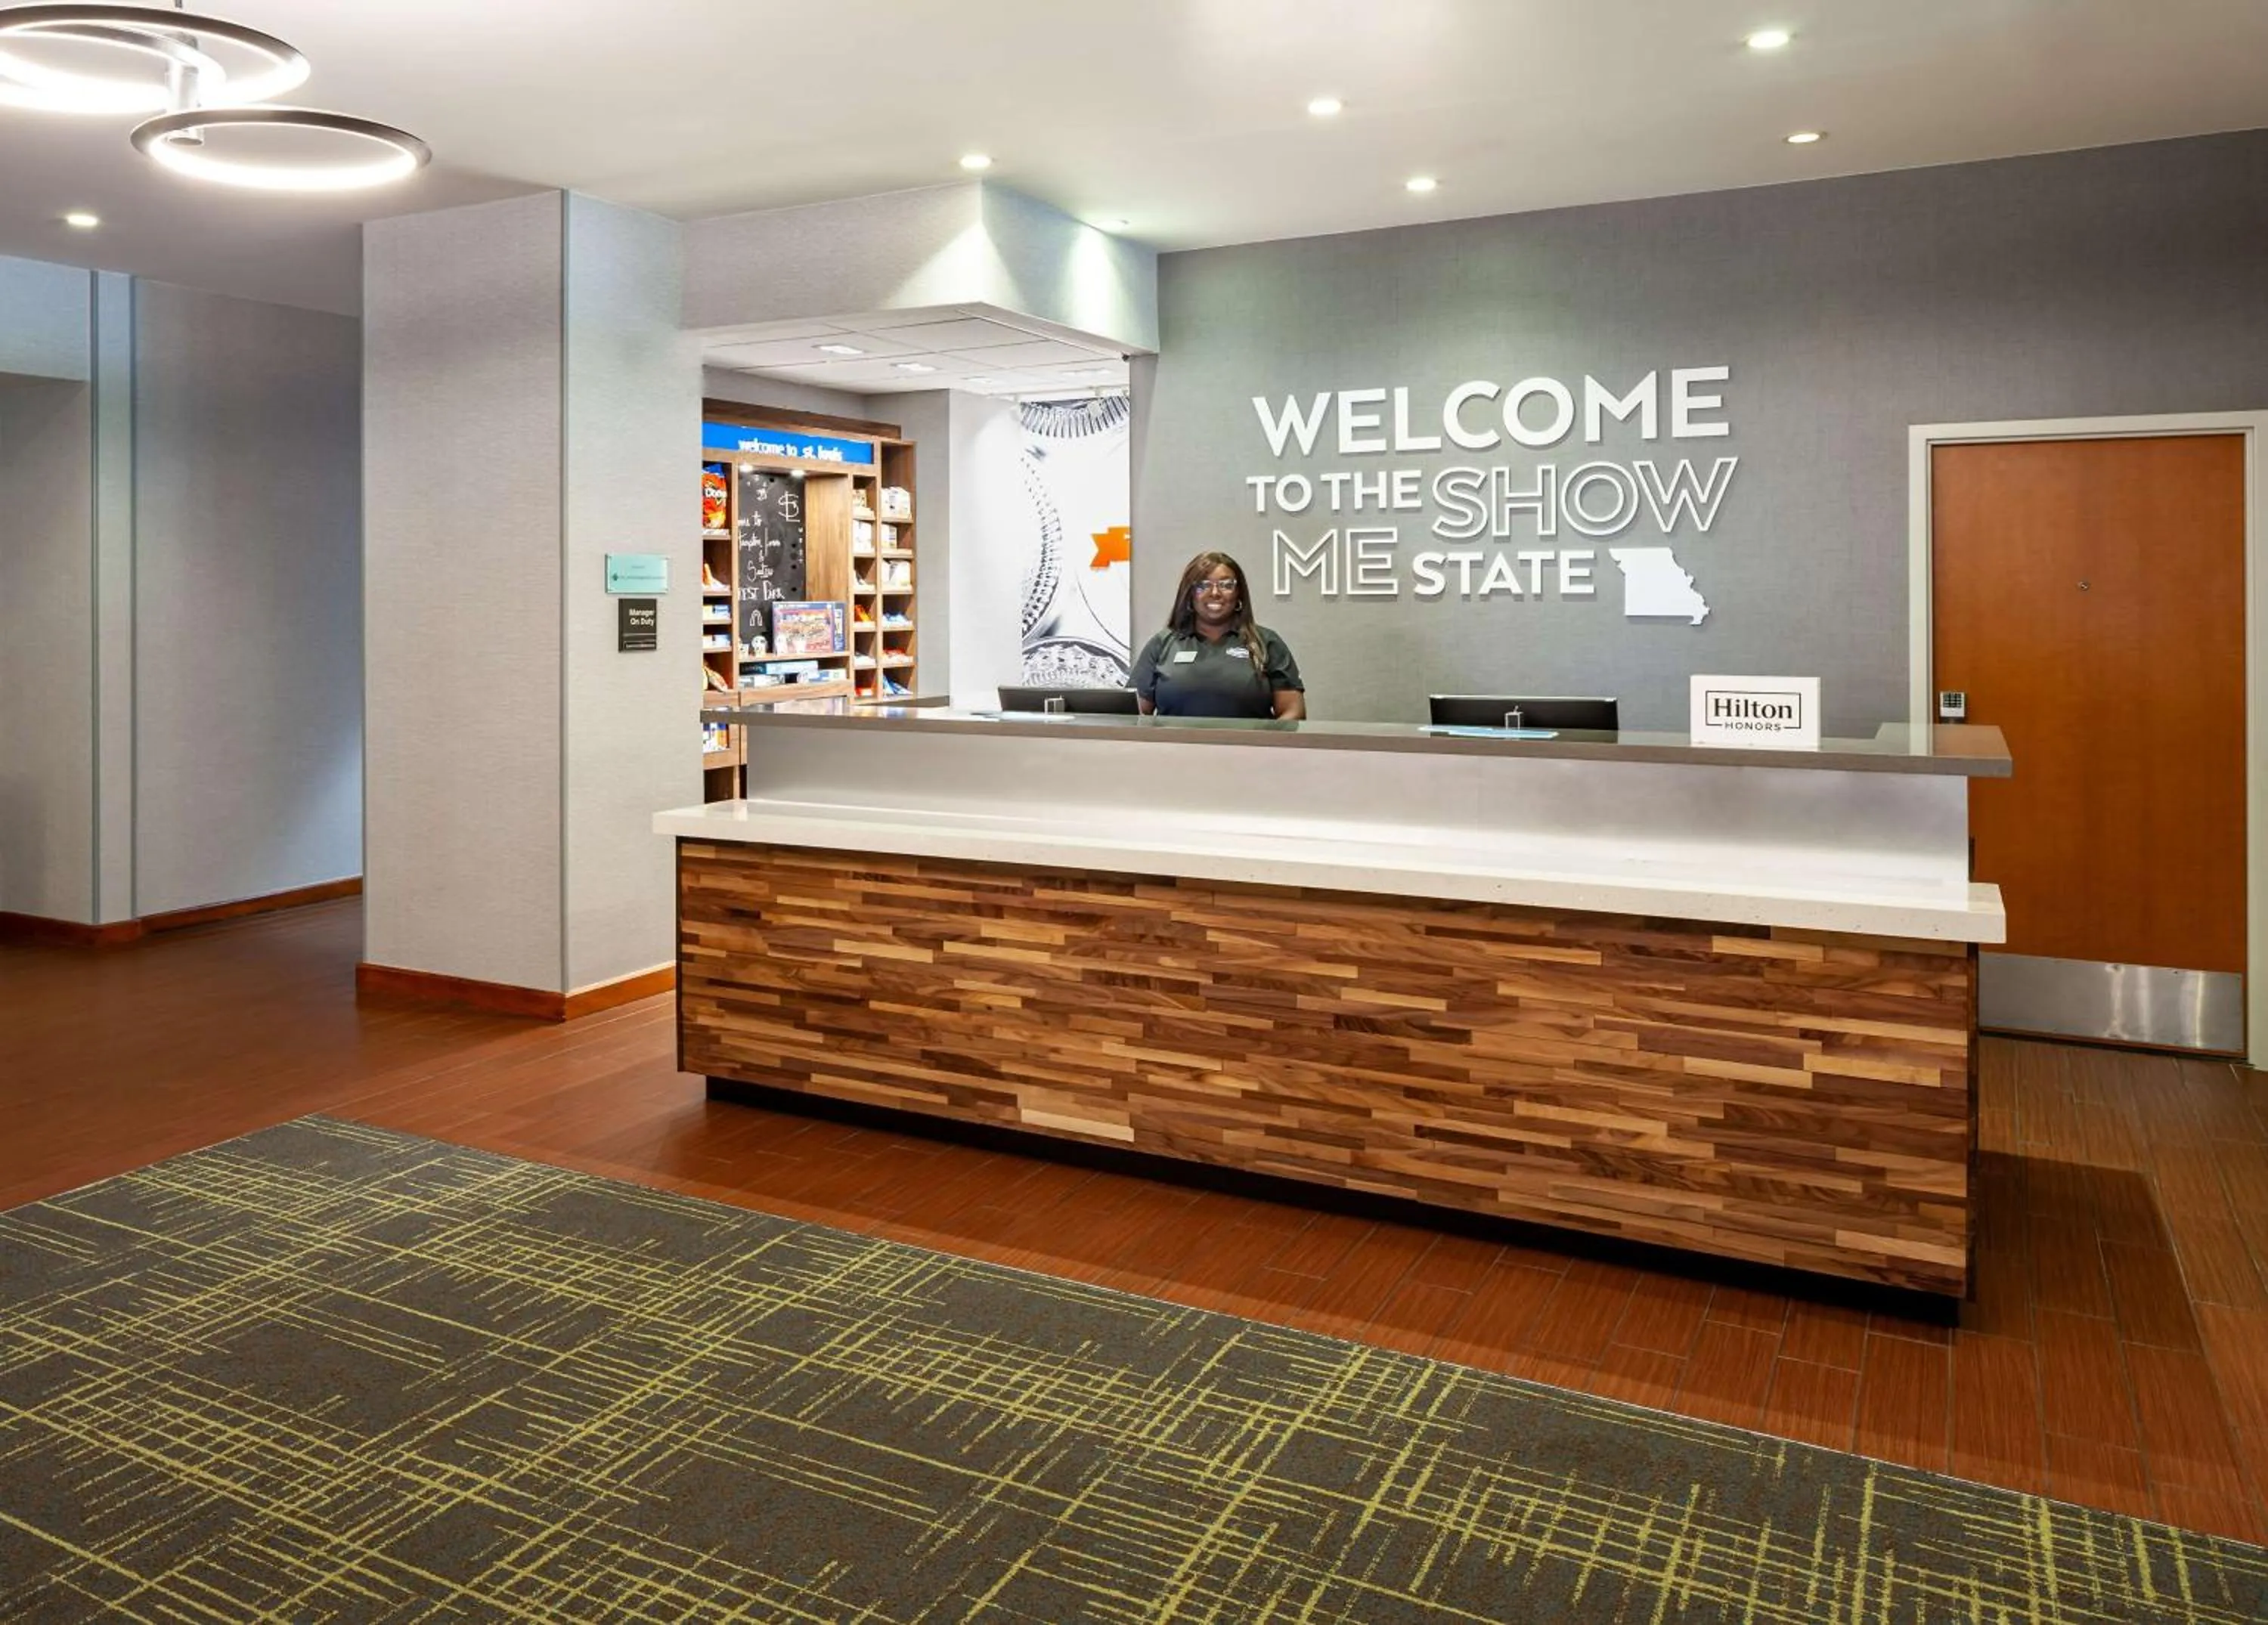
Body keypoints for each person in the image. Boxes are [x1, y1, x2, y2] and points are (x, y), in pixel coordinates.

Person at [1131, 552, 1306, 720]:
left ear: (1239, 593)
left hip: (1250, 750)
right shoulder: (1162, 644)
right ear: (1190, 594)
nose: (1215, 593)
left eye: (1226, 585)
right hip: (1175, 750)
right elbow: (1135, 714)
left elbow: (1293, 712)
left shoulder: (1266, 642)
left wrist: (1265, 746)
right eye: (1203, 585)